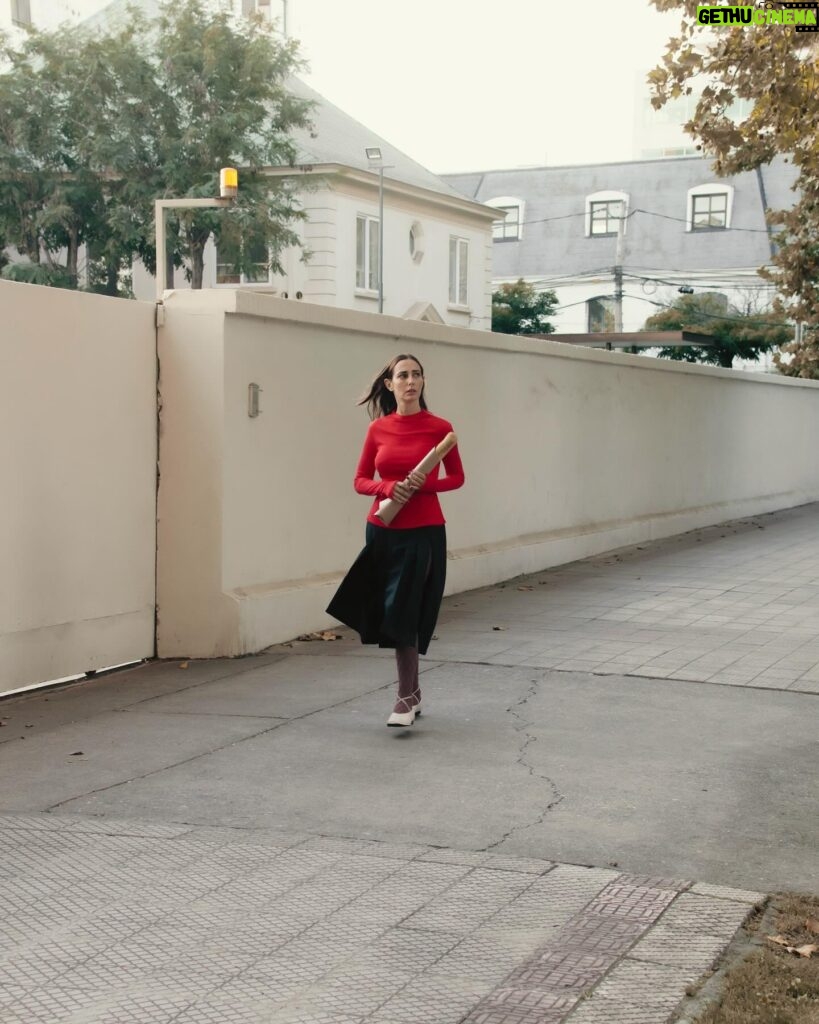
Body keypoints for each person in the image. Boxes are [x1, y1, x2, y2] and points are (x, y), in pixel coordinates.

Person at [326, 354, 465, 728]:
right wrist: (387, 486)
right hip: (382, 530)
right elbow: (359, 481)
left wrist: (425, 485)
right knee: (387, 611)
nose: (410, 381)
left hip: (424, 531)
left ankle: (404, 698)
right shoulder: (378, 430)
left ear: (422, 382)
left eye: (416, 375)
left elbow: (456, 478)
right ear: (390, 384)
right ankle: (413, 692)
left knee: (406, 609)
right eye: (402, 375)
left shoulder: (440, 428)